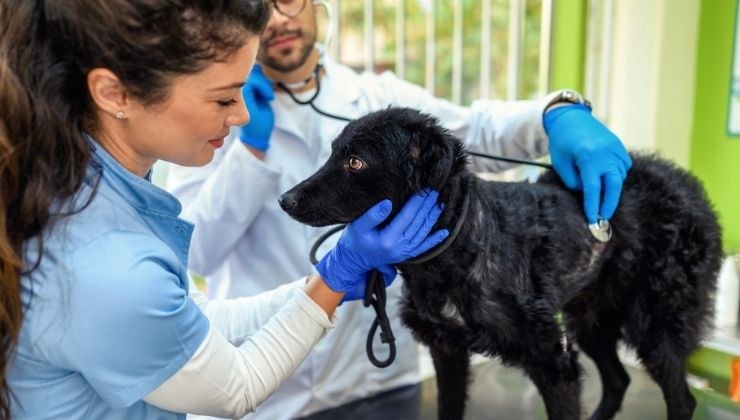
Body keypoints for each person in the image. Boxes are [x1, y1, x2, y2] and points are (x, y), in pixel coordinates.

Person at [167, 1, 632, 419]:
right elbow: (196, 254)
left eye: (287, 0)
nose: (277, 19)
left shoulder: (373, 99)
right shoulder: (213, 118)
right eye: (256, 6)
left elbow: (477, 133)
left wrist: (558, 111)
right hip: (274, 393)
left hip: (381, 383)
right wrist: (252, 151)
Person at [0, 1, 450, 419]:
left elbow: (190, 326)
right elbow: (236, 385)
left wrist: (325, 281)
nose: (242, 115)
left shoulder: (95, 190)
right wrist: (335, 277)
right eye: (223, 98)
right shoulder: (103, 265)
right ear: (115, 93)